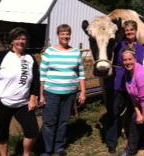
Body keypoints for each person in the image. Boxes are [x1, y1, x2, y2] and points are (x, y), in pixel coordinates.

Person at [0, 27, 40, 156]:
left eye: (23, 38)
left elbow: (36, 81)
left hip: (23, 103)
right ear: (12, 40)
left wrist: (33, 98)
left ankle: (26, 153)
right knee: (2, 132)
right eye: (18, 38)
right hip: (3, 102)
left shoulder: (30, 58)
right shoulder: (1, 56)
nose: (21, 41)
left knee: (32, 131)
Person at [40, 24, 86, 156]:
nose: (65, 36)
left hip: (70, 93)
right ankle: (47, 149)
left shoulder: (76, 52)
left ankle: (59, 147)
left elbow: (81, 73)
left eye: (67, 34)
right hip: (51, 92)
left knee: (64, 121)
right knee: (49, 122)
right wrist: (41, 95)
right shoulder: (50, 52)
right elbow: (42, 74)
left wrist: (82, 92)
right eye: (63, 34)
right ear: (58, 35)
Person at [104, 20, 144, 154]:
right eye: (127, 30)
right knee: (114, 112)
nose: (129, 32)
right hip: (120, 83)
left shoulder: (141, 47)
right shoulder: (119, 45)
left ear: (135, 30)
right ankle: (111, 142)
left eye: (131, 30)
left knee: (134, 113)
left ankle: (137, 140)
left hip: (135, 84)